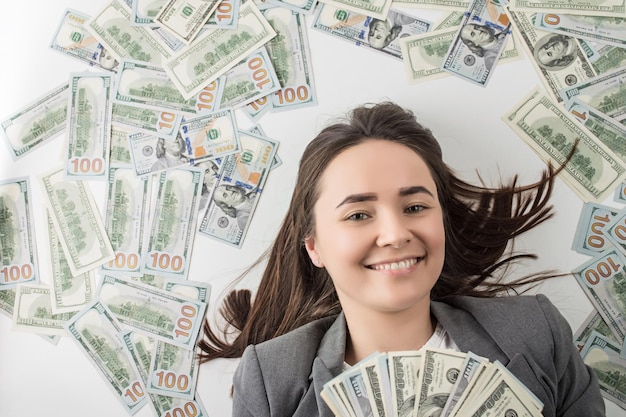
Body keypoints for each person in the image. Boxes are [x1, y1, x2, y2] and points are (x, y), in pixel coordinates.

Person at [198, 102, 604, 416]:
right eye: (359, 215)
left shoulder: (535, 333)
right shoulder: (272, 379)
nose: (395, 234)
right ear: (314, 247)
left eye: (414, 207)